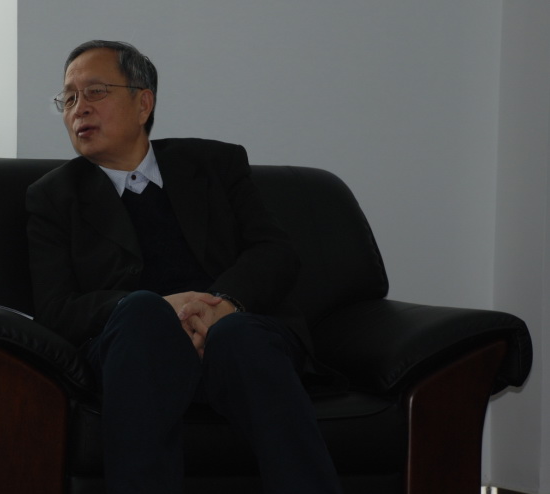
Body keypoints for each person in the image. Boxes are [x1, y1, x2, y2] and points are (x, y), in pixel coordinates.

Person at [26, 40, 342, 494]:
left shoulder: (214, 164)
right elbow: (56, 309)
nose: (80, 109)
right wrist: (161, 308)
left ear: (143, 103)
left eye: (95, 92)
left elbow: (274, 252)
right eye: (69, 98)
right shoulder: (53, 197)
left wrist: (223, 305)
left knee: (239, 334)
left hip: (233, 335)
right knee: (143, 314)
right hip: (133, 350)